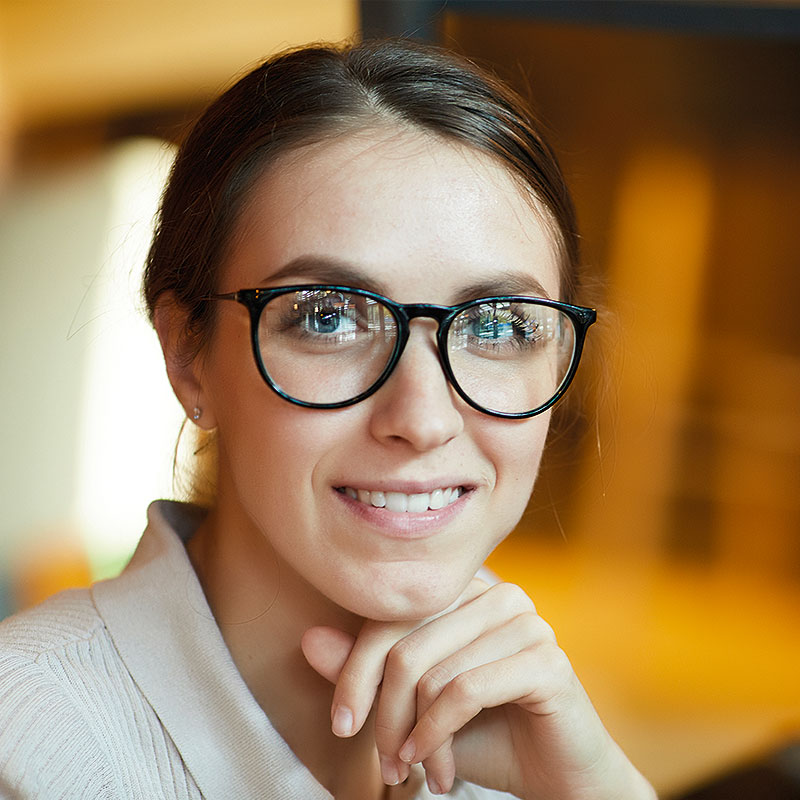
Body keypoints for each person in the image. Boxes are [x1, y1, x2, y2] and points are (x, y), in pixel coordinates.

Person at [0, 39, 655, 799]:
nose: (423, 418)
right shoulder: (30, 747)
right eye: (327, 317)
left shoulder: (530, 756)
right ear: (188, 356)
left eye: (497, 324)